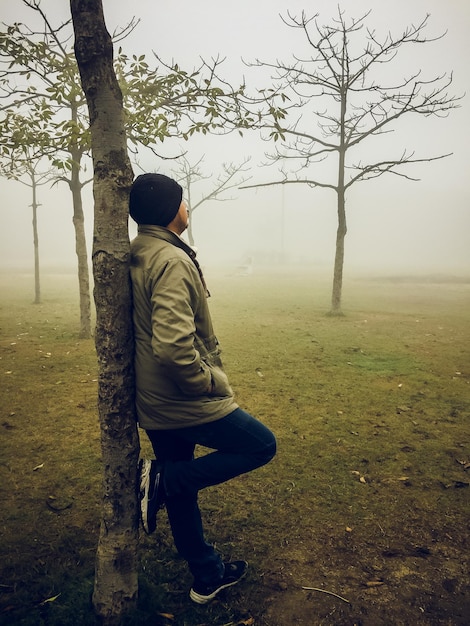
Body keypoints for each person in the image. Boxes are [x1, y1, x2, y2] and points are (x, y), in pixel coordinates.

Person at [129, 173, 276, 604]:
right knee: (260, 446)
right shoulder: (170, 260)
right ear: (170, 210)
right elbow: (174, 347)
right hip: (181, 399)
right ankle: (161, 479)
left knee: (179, 484)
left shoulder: (139, 250)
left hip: (154, 400)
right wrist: (208, 382)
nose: (187, 205)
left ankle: (207, 575)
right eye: (182, 200)